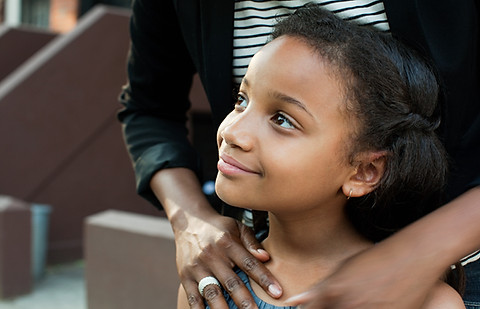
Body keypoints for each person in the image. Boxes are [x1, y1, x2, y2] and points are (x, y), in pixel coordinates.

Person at [118, 0, 480, 308]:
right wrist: (190, 220)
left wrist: (422, 254)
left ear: (365, 170)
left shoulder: (434, 302)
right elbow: (150, 106)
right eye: (239, 100)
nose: (231, 131)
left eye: (282, 120)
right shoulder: (213, 288)